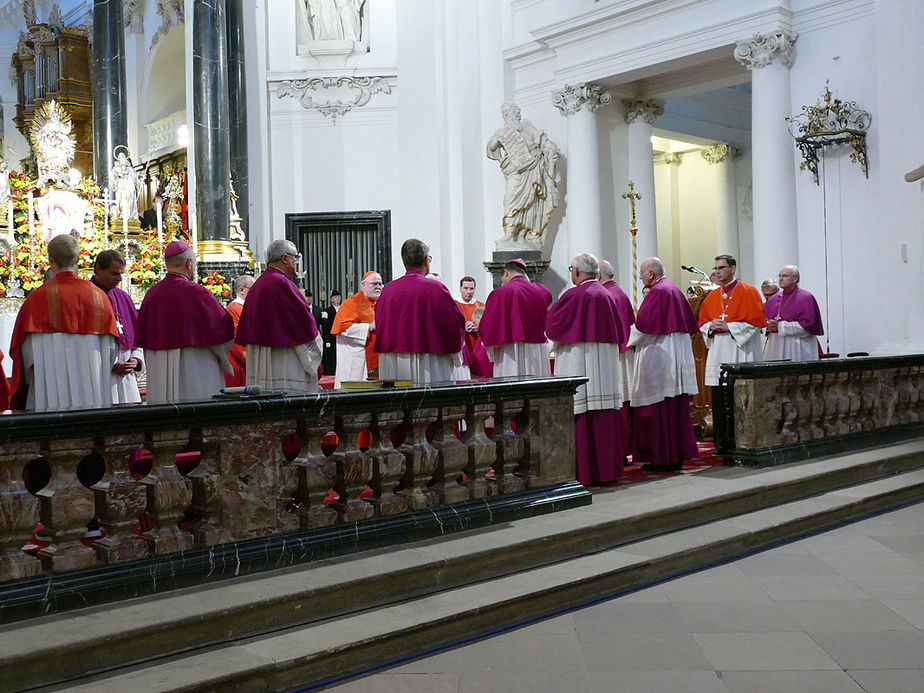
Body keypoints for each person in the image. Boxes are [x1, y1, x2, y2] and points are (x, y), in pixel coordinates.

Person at [9, 234, 119, 411]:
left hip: (47, 394)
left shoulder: (36, 298)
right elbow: (112, 350)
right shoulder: (99, 297)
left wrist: (35, 379)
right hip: (93, 392)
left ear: (50, 259)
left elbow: (25, 355)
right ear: (77, 258)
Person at [547, 253, 627, 486]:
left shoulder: (574, 295)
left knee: (581, 412)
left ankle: (583, 472)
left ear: (577, 272)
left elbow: (554, 329)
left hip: (578, 361)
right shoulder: (608, 294)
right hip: (605, 369)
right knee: (603, 413)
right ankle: (608, 471)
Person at [135, 240, 234, 403]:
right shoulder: (198, 293)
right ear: (189, 263)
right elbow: (223, 331)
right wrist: (222, 357)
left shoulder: (151, 295)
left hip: (160, 367)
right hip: (197, 366)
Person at [628, 258, 700, 472]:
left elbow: (644, 328)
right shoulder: (672, 288)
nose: (640, 277)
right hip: (674, 354)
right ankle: (674, 457)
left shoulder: (659, 291)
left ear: (651, 273)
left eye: (642, 272)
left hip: (663, 357)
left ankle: (662, 458)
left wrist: (627, 339)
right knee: (674, 409)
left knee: (661, 410)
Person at [235, 240, 323, 393]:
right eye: (295, 257)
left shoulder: (258, 285)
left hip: (262, 357)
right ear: (284, 258)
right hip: (284, 359)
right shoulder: (282, 283)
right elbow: (303, 322)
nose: (296, 262)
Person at [374, 238, 466, 384]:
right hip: (431, 361)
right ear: (425, 261)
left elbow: (380, 324)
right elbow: (453, 324)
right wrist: (455, 353)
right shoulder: (436, 288)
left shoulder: (388, 291)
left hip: (394, 362)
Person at [486, 102, 561, 247]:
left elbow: (546, 144)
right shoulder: (502, 132)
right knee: (510, 200)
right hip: (515, 172)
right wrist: (497, 140)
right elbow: (492, 148)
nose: (516, 115)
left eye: (516, 112)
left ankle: (521, 235)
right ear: (505, 115)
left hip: (532, 170)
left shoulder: (528, 130)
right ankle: (509, 234)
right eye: (511, 113)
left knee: (531, 205)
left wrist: (549, 151)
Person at [698, 254, 766, 387]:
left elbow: (755, 324)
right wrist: (710, 326)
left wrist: (729, 327)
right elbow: (702, 324)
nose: (717, 272)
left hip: (740, 349)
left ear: (733, 268)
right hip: (719, 349)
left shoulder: (749, 291)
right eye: (716, 268)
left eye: (721, 268)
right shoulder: (711, 296)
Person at [478, 258, 552, 377]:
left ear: (506, 272)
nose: (502, 282)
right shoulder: (542, 291)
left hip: (510, 352)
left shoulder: (500, 293)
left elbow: (488, 324)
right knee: (538, 388)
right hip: (537, 350)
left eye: (502, 278)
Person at [91, 249, 143, 404]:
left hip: (127, 378)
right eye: (115, 273)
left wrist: (136, 359)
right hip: (101, 375)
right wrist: (111, 363)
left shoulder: (123, 297)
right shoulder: (87, 296)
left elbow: (139, 337)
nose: (120, 278)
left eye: (121, 273)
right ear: (99, 269)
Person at [331, 271, 382, 387]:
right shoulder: (352, 303)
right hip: (359, 360)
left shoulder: (383, 302)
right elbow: (343, 328)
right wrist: (369, 327)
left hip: (382, 358)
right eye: (374, 284)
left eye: (380, 284)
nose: (378, 287)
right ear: (363, 284)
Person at [763, 265, 824, 362]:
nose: (781, 279)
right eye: (779, 276)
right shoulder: (774, 299)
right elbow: (762, 322)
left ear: (795, 278)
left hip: (797, 347)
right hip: (775, 346)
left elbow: (809, 325)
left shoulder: (806, 297)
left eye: (785, 276)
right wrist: (767, 326)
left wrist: (780, 327)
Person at [598, 258, 635, 416]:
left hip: (616, 354)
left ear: (598, 275)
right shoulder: (618, 292)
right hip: (624, 350)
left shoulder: (606, 295)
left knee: (618, 398)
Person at [225, 274, 254, 387]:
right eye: (253, 289)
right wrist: (253, 362)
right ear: (241, 290)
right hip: (238, 365)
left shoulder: (245, 308)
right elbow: (236, 341)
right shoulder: (234, 309)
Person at [456, 276, 485, 358]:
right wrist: (462, 329)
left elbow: (489, 326)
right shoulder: (454, 305)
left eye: (471, 289)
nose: (469, 292)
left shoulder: (481, 306)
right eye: (466, 288)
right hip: (462, 346)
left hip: (478, 345)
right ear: (460, 289)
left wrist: (479, 328)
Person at [319, 289, 341, 376]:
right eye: (335, 297)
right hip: (331, 337)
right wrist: (327, 340)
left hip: (342, 336)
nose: (337, 299)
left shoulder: (344, 309)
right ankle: (331, 373)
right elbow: (324, 327)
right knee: (332, 357)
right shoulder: (327, 310)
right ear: (331, 299)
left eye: (339, 297)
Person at [467, 306, 493, 377]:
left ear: (480, 318)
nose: (473, 324)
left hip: (486, 375)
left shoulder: (488, 334)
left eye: (474, 322)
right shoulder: (482, 334)